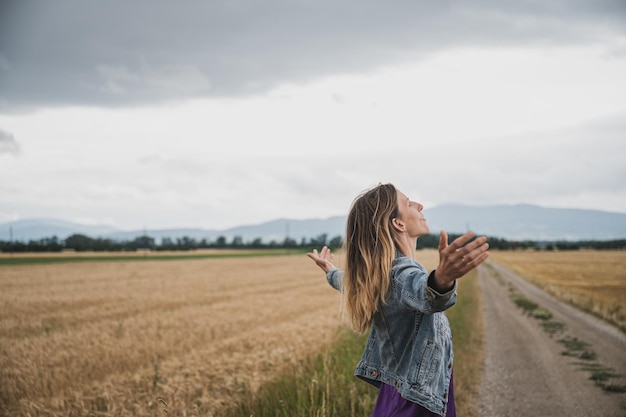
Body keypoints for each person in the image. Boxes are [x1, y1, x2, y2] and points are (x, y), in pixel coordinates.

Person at [307, 183, 489, 417]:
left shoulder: (380, 274)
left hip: (397, 391)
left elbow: (351, 283)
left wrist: (330, 271)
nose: (419, 205)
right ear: (398, 223)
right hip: (415, 403)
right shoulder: (400, 273)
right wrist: (441, 279)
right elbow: (426, 294)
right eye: (408, 202)